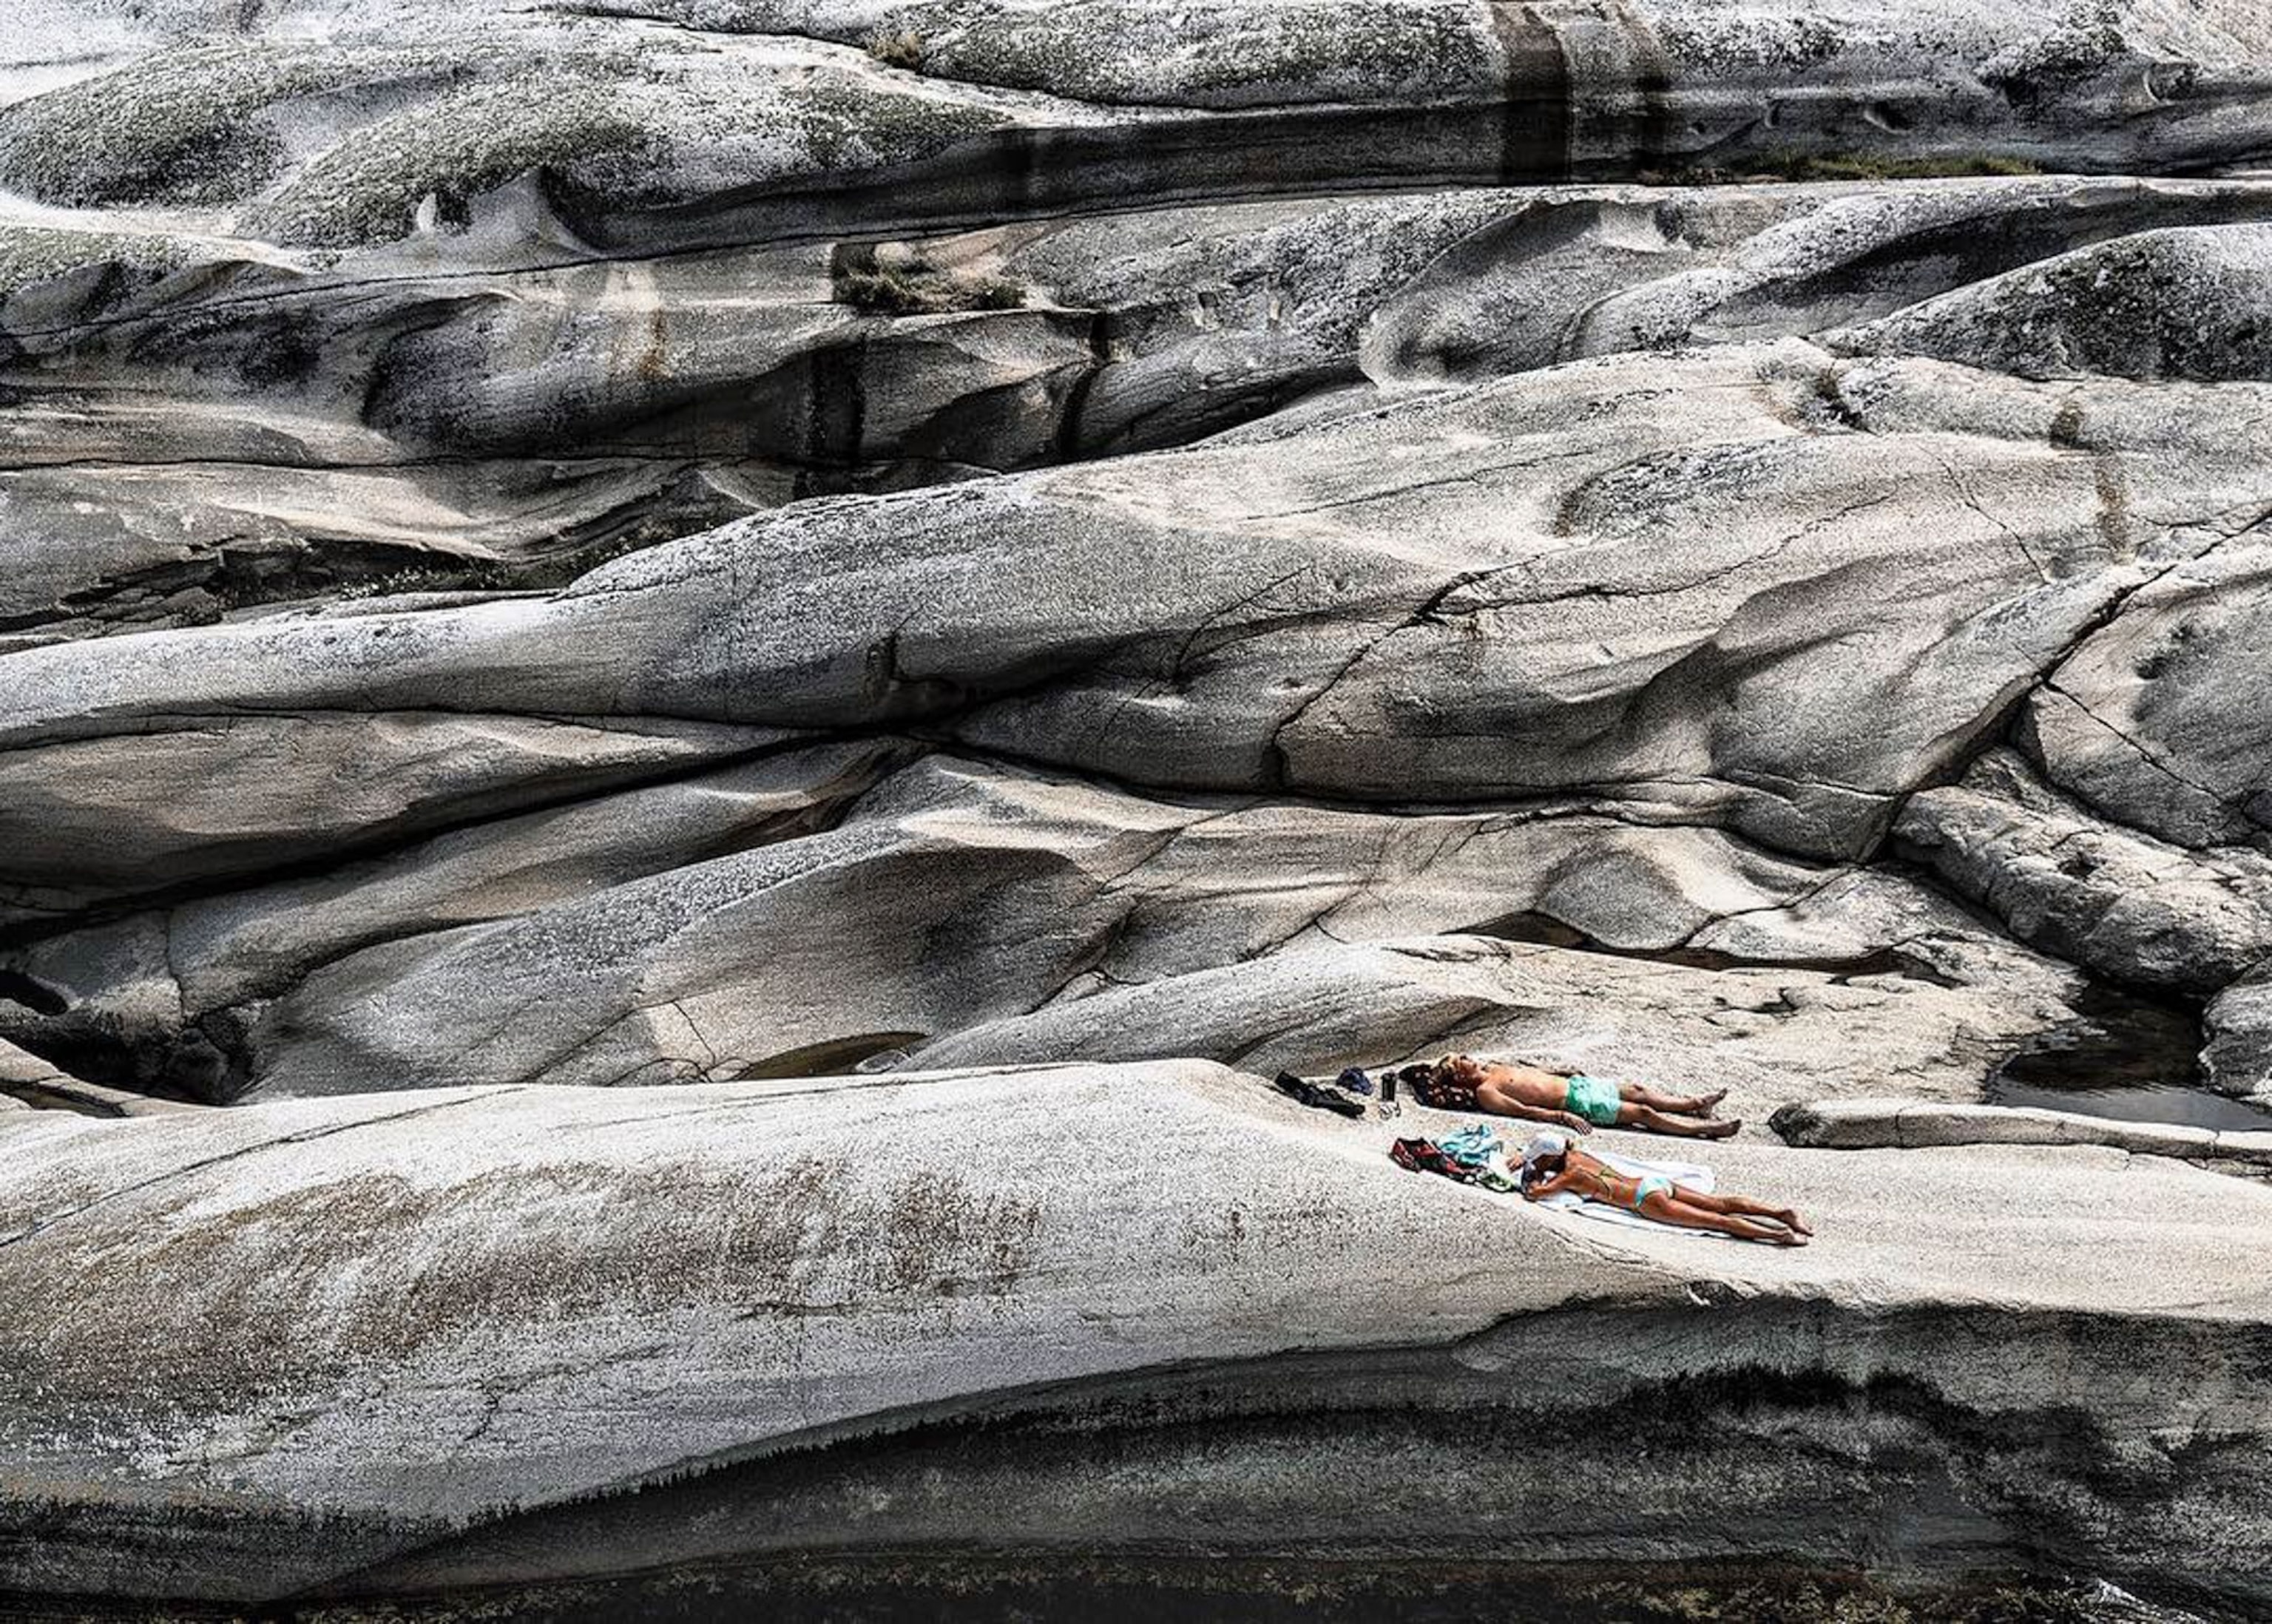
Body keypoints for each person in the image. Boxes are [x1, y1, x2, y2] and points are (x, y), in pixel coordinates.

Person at [1519, 1131, 1810, 1245]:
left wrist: (1531, 1174)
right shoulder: (1578, 1155)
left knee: (1717, 1222)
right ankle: (1781, 1213)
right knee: (1719, 1205)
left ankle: (1779, 1235)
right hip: (1653, 1183)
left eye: (1540, 1158)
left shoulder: (1571, 1175)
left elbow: (1534, 1194)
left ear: (1550, 1157)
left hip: (1645, 1200)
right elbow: (1568, 1142)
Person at [1393, 1053, 1739, 1140]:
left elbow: (1536, 1076)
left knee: (1638, 1090)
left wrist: (1565, 1073)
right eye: (1463, 1062)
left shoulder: (1495, 1068)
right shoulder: (1486, 1091)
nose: (1470, 1060)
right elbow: (1523, 1111)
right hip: (1574, 1104)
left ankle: (1696, 1104)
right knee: (1642, 1113)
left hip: (1577, 1086)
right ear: (1461, 1077)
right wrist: (1562, 1118)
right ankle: (1705, 1130)